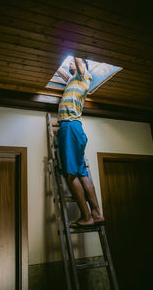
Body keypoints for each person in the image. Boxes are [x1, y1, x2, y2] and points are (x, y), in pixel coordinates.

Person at [57, 57, 104, 227]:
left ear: (82, 65)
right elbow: (59, 70)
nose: (69, 64)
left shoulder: (84, 77)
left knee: (70, 175)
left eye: (73, 62)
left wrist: (73, 39)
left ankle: (86, 216)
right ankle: (97, 214)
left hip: (69, 127)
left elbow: (78, 61)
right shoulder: (72, 80)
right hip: (75, 129)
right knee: (81, 173)